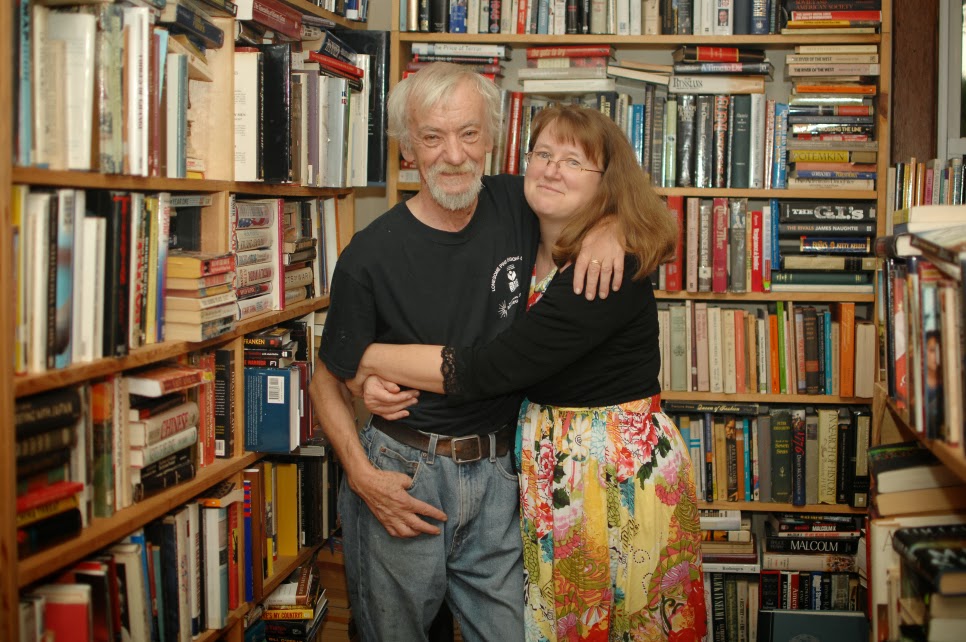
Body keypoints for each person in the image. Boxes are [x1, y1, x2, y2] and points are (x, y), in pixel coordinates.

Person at [352, 105, 707, 641]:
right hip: (552, 463)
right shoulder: (518, 239)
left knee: (631, 625)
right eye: (543, 154)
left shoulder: (605, 268)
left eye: (573, 161)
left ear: (605, 183)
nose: (552, 169)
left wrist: (367, 357)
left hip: (611, 474)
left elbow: (489, 367)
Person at [308, 63, 625, 642]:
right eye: (432, 137)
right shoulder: (368, 255)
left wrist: (612, 227)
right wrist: (359, 473)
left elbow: (602, 193)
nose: (453, 155)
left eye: (469, 134)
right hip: (403, 474)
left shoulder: (519, 202)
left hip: (503, 474)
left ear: (494, 140)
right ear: (408, 149)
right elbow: (325, 381)